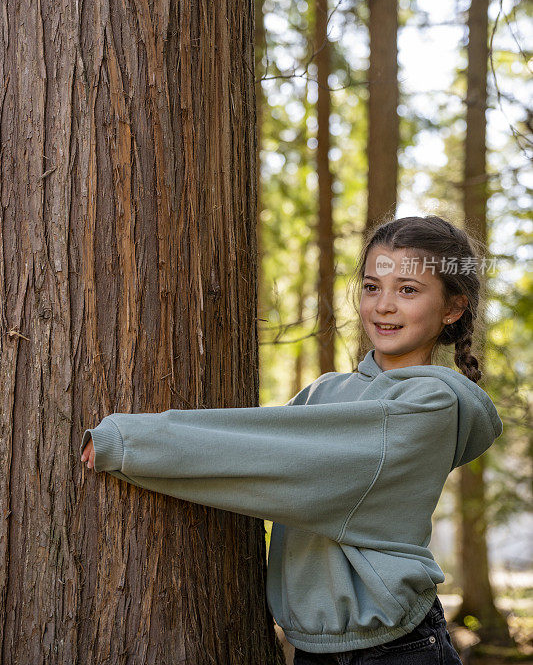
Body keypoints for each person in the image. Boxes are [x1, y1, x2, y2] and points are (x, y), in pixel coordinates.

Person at [80, 215, 503, 664]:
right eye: (371, 286)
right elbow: (260, 456)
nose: (383, 306)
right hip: (313, 647)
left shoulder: (431, 404)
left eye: (408, 290)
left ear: (453, 308)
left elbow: (269, 457)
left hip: (394, 646)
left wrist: (129, 442)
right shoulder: (324, 392)